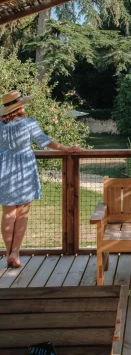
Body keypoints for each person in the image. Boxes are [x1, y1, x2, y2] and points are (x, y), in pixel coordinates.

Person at [0, 90, 81, 268]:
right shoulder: (28, 123)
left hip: (4, 168)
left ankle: (7, 253)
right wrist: (66, 149)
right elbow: (45, 141)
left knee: (8, 213)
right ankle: (15, 252)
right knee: (22, 212)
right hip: (25, 168)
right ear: (20, 106)